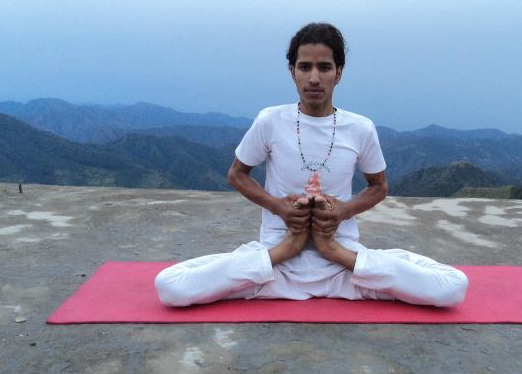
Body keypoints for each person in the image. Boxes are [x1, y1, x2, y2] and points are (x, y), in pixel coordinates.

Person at [154, 23, 468, 307]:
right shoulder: (271, 121)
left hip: (342, 262)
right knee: (171, 289)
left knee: (450, 289)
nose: (314, 77)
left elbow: (379, 186)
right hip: (276, 263)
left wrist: (342, 214)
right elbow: (237, 174)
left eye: (324, 67)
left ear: (339, 72)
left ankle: (329, 250)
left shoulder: (360, 128)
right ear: (292, 71)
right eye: (305, 67)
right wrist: (280, 210)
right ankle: (292, 248)